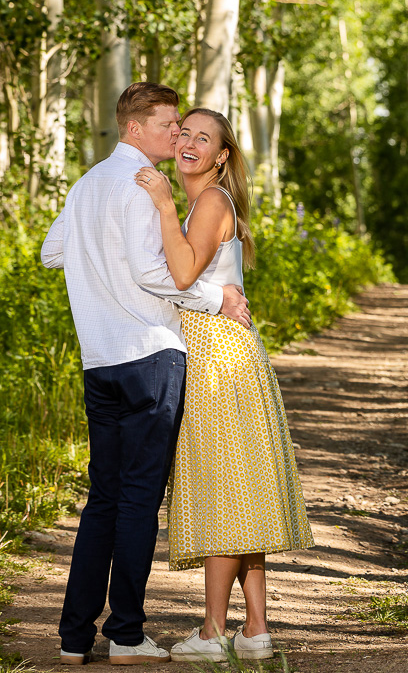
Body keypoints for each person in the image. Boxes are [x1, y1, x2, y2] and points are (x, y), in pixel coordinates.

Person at [41, 82, 252, 666]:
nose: (177, 135)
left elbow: (52, 251)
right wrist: (216, 301)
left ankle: (73, 637)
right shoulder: (140, 187)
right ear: (136, 128)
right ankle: (127, 635)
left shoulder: (87, 184)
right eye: (169, 126)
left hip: (98, 360)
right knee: (137, 500)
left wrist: (95, 261)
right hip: (148, 355)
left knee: (102, 497)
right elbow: (158, 275)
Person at [133, 107, 313, 664]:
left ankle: (213, 633)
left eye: (202, 138)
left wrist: (163, 205)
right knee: (242, 490)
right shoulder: (207, 202)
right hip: (230, 355)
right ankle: (254, 628)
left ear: (221, 155)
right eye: (183, 132)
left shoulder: (208, 203)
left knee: (223, 492)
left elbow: (184, 275)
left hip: (220, 360)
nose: (187, 142)